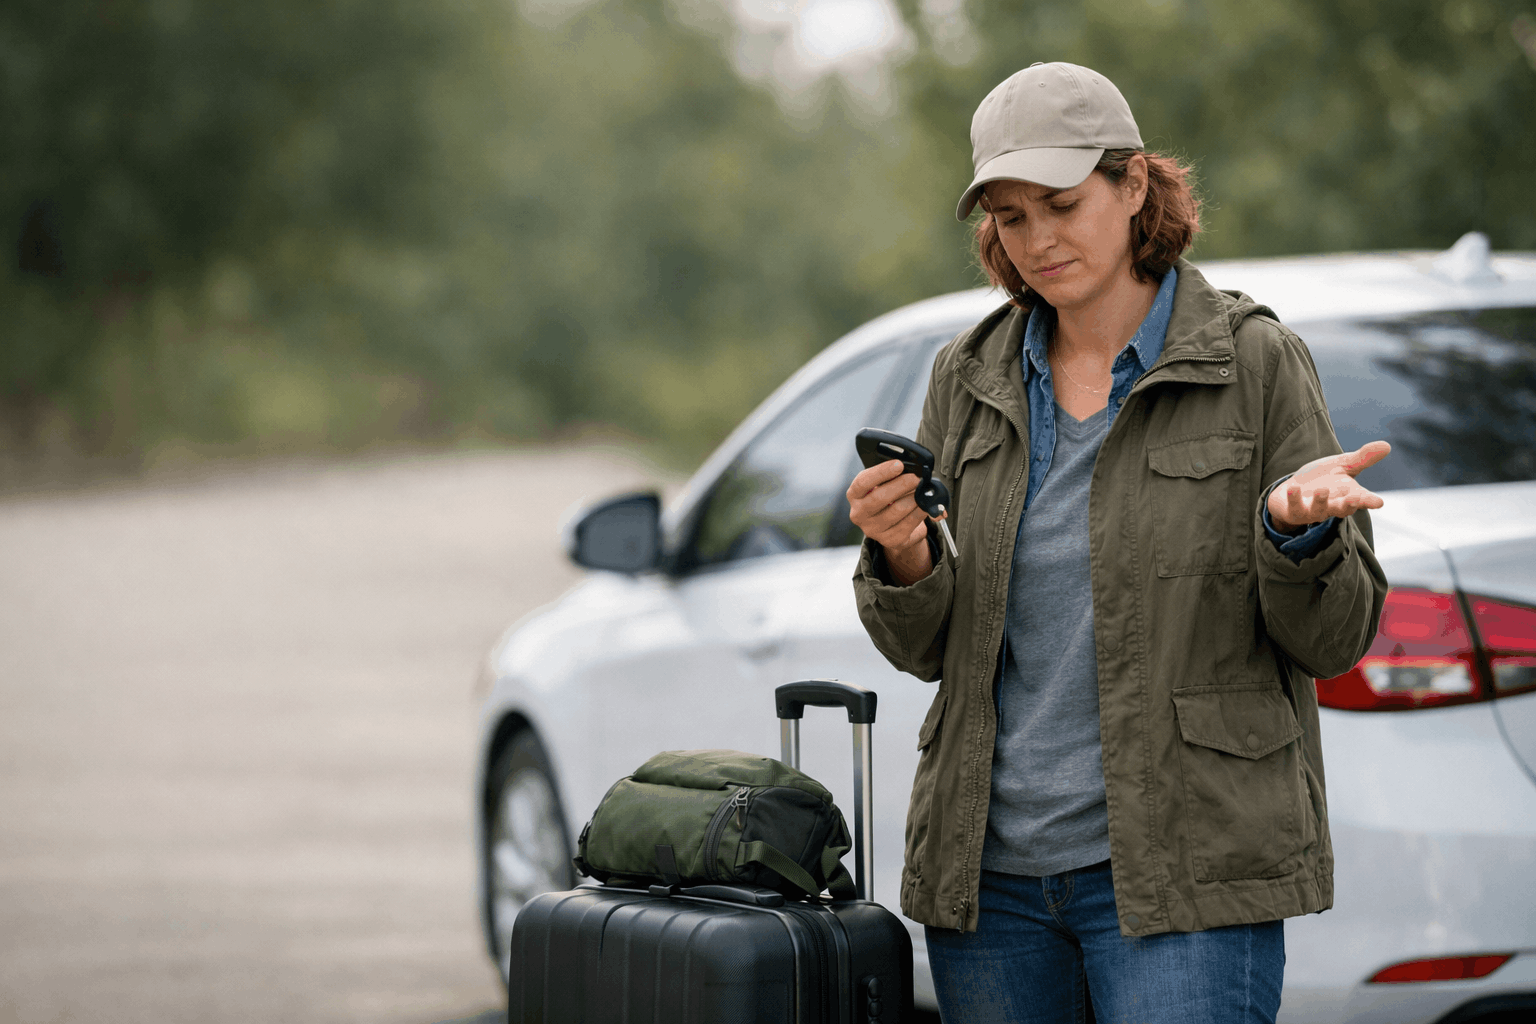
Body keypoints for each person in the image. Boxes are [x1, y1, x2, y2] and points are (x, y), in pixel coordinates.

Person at [846, 62, 1390, 1023]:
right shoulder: (967, 376)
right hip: (991, 889)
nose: (1038, 240)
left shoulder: (1254, 362)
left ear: (1134, 183)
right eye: (1011, 217)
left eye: (1062, 204)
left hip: (1188, 877)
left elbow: (1335, 639)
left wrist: (1295, 535)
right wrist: (902, 553)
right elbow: (926, 650)